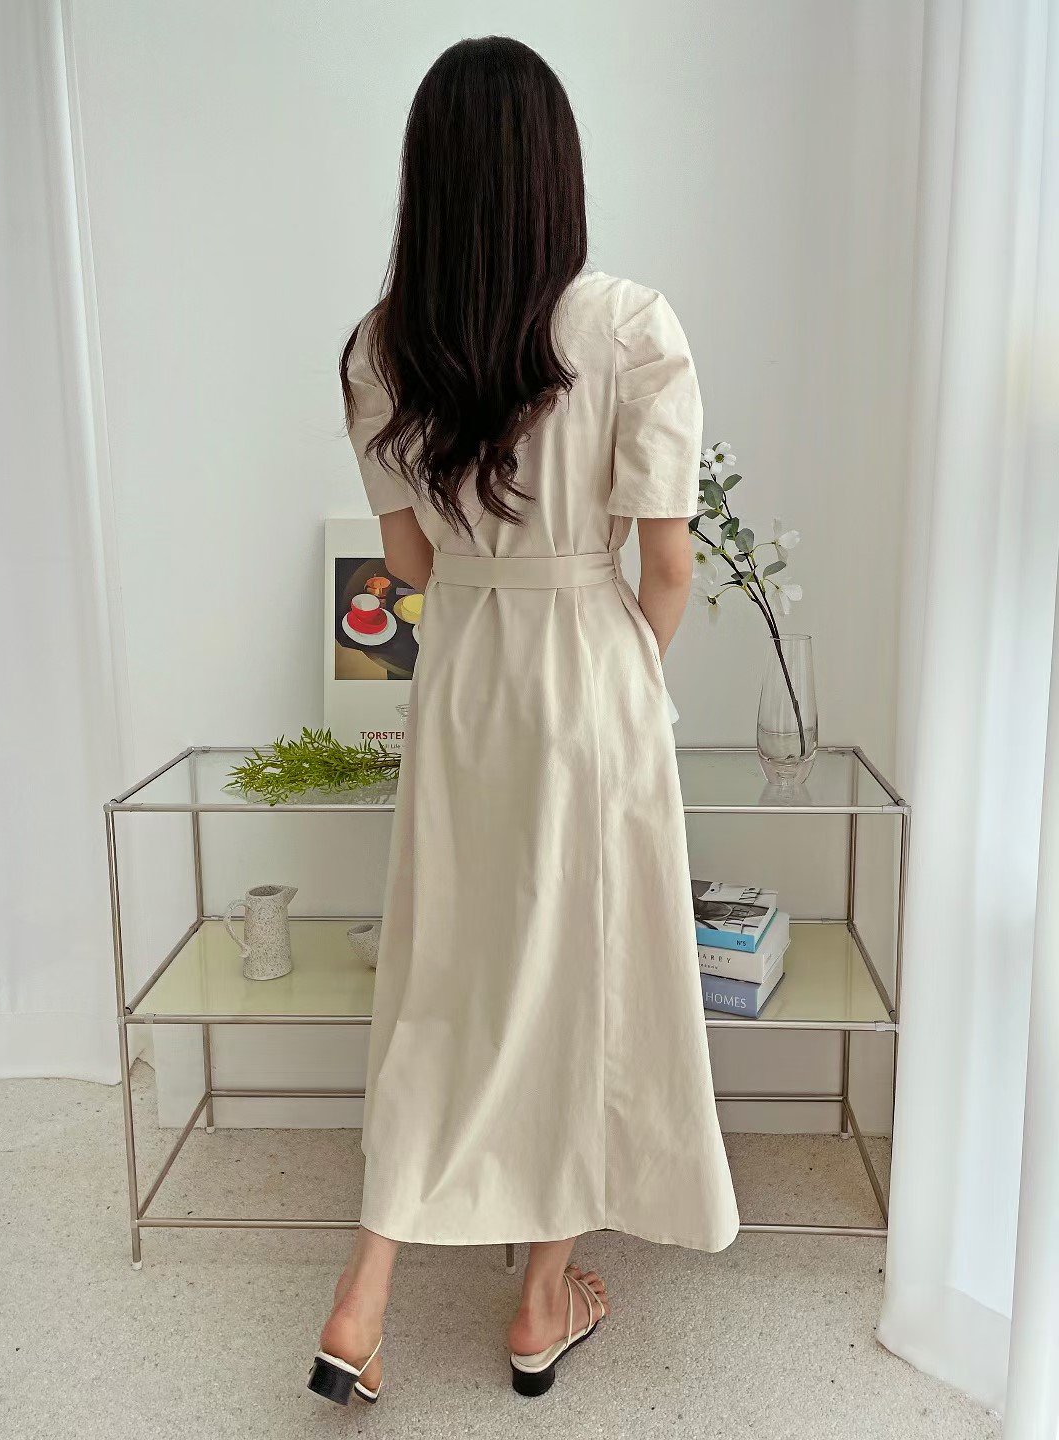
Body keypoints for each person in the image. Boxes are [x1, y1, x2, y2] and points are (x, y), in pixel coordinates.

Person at [308, 34, 739, 1408]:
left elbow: (408, 565)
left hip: (463, 681)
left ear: (427, 179)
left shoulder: (382, 347)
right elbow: (667, 564)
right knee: (583, 979)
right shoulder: (631, 326)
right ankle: (543, 1302)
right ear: (557, 173)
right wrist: (623, 680)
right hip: (590, 669)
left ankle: (360, 1302)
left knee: (444, 977)